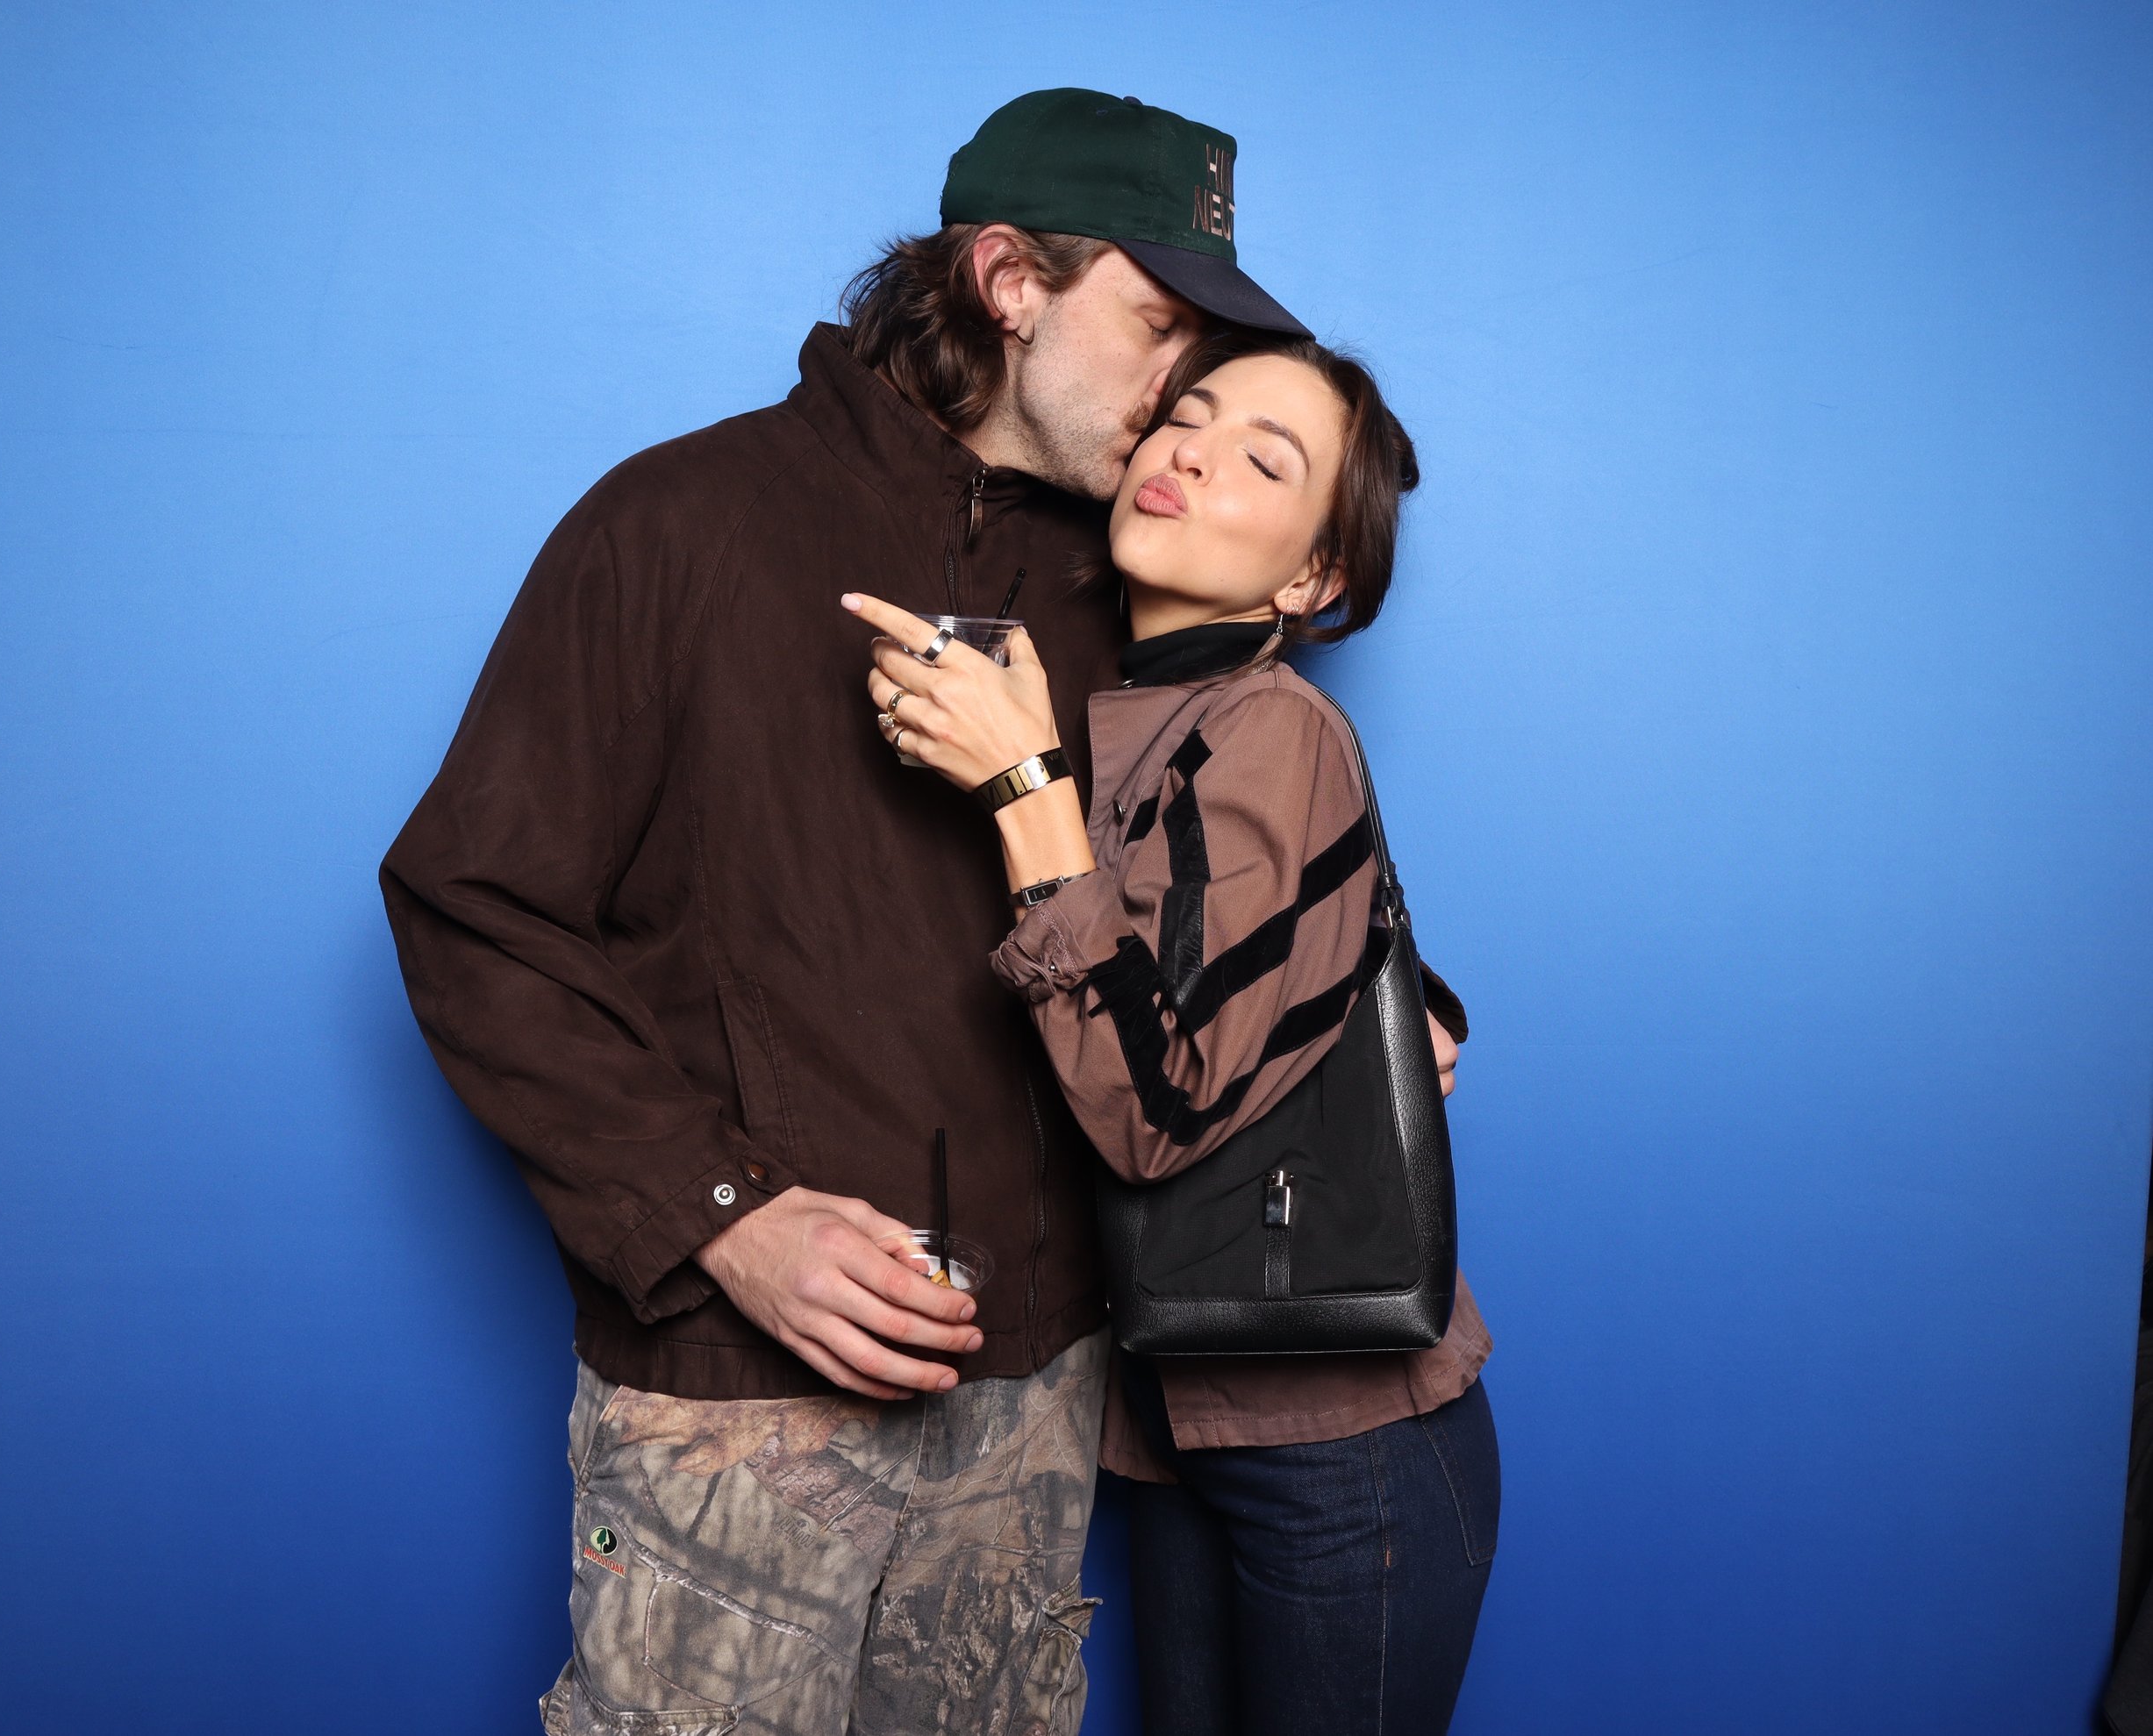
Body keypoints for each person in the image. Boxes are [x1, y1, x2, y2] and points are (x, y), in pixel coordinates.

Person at [379, 89, 1347, 1736]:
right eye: (1158, 323)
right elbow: (476, 909)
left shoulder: (1135, 581)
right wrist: (723, 1216)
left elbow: (1230, 847)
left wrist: (1388, 986)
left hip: (1044, 1399)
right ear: (1009, 280)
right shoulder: (675, 526)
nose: (1184, 392)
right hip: (738, 1415)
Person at [844, 328, 1496, 1734]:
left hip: (1344, 1447)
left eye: (1264, 459)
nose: (1193, 451)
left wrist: (1022, 787)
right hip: (1172, 1425)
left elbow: (1158, 1104)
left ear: (1313, 577)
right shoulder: (1132, 709)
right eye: (1185, 416)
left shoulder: (1270, 727)